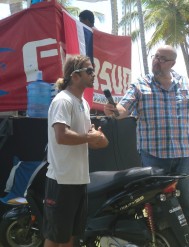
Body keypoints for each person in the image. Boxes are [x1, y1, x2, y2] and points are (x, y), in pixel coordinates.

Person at [104, 45, 189, 246]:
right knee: (158, 210)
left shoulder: (186, 84)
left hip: (185, 157)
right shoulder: (140, 85)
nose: (156, 61)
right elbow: (122, 109)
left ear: (172, 63)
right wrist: (113, 110)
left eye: (162, 59)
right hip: (154, 158)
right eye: (155, 57)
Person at [43, 54, 109, 247]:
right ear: (75, 76)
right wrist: (90, 138)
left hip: (79, 180)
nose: (93, 74)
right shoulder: (63, 101)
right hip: (61, 180)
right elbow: (61, 135)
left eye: (93, 71)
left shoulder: (84, 103)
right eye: (89, 71)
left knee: (70, 237)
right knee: (56, 238)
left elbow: (89, 138)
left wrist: (100, 139)